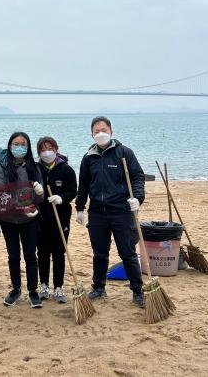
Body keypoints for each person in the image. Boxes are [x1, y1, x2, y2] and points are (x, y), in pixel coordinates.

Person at [75, 116, 147, 307]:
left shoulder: (124, 153)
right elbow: (83, 184)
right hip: (97, 212)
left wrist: (138, 198)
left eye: (104, 130)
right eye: (96, 131)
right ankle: (99, 287)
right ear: (91, 134)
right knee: (100, 253)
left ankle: (137, 291)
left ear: (111, 131)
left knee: (127, 253)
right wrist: (80, 208)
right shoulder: (88, 157)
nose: (101, 133)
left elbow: (137, 177)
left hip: (122, 211)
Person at [0, 132, 45, 308]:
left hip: (29, 220)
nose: (19, 147)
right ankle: (16, 289)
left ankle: (33, 290)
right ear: (10, 146)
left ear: (28, 147)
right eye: (16, 144)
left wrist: (39, 193)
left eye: (23, 144)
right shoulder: (1, 167)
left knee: (30, 256)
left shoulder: (35, 167)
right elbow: (1, 193)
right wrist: (20, 206)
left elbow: (39, 198)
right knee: (13, 256)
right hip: (8, 219)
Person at [36, 136, 77, 303]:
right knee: (42, 253)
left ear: (56, 149)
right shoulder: (36, 169)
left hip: (61, 218)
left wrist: (62, 198)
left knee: (59, 253)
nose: (47, 152)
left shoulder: (65, 169)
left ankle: (58, 287)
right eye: (43, 149)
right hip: (41, 219)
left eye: (50, 148)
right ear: (39, 152)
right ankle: (44, 285)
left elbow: (72, 190)